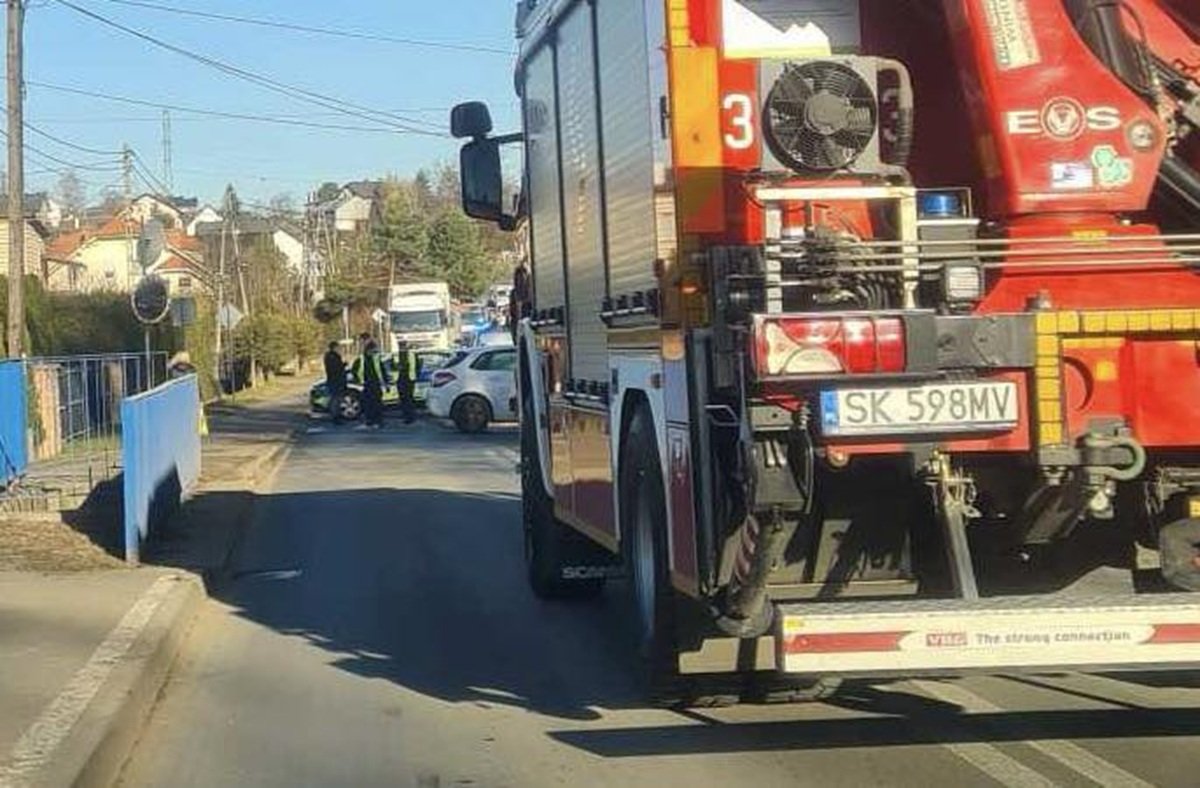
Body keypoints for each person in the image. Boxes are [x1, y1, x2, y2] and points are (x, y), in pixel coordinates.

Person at [358, 339, 390, 429]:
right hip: (367, 384)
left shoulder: (376, 358)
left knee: (377, 403)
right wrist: (360, 381)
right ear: (369, 350)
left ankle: (378, 421)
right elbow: (356, 371)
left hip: (376, 384)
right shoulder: (361, 359)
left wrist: (385, 383)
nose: (375, 352)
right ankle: (370, 420)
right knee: (368, 404)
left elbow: (382, 371)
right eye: (373, 350)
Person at [323, 342, 347, 424]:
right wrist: (342, 365)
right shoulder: (332, 357)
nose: (339, 349)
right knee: (335, 399)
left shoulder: (331, 356)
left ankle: (337, 416)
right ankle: (335, 417)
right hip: (335, 381)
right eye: (338, 348)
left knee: (337, 399)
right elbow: (335, 369)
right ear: (334, 348)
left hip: (336, 380)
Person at [395, 342, 418, 425]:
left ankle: (410, 417)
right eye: (401, 347)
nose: (402, 348)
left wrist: (415, 376)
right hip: (400, 379)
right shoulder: (397, 355)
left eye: (403, 346)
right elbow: (393, 366)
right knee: (403, 399)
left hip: (409, 379)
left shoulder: (411, 354)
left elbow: (416, 365)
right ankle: (406, 416)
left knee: (409, 399)